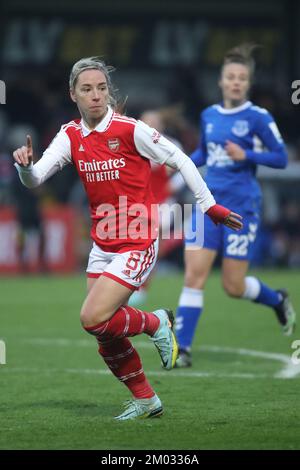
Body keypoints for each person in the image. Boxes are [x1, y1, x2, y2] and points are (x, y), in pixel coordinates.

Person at [13, 57, 242, 420]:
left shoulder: (129, 129)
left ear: (108, 92)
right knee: (105, 335)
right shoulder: (70, 135)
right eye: (86, 89)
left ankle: (156, 323)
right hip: (102, 244)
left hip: (138, 239)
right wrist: (25, 167)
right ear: (73, 94)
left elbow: (181, 158)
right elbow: (36, 178)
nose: (95, 96)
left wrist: (209, 206)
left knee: (92, 317)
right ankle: (148, 400)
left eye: (101, 88)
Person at [175, 44, 296, 368]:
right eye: (231, 76)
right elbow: (203, 154)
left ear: (248, 83)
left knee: (233, 285)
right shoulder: (209, 115)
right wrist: (179, 162)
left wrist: (248, 156)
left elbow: (281, 158)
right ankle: (182, 349)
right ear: (221, 81)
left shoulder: (258, 117)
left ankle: (277, 299)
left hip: (242, 207)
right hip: (207, 204)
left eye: (242, 78)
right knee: (194, 276)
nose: (236, 82)